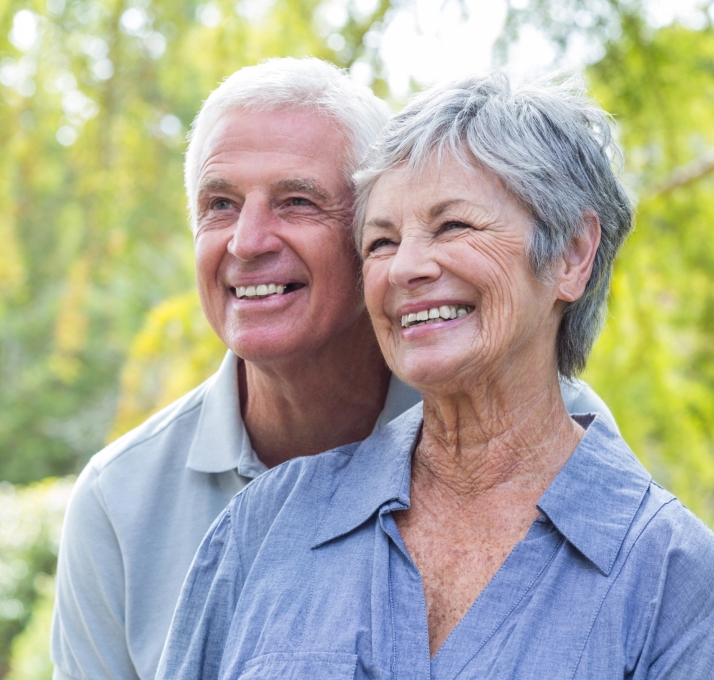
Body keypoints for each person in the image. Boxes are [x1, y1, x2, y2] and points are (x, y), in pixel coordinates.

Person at [157, 73, 714, 680]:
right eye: (381, 241)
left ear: (571, 254)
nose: (407, 267)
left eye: (453, 227)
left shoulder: (670, 573)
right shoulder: (264, 526)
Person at [51, 60, 617, 680]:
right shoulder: (120, 500)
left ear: (373, 236)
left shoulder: (556, 433)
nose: (247, 241)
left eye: (297, 202)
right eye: (220, 204)